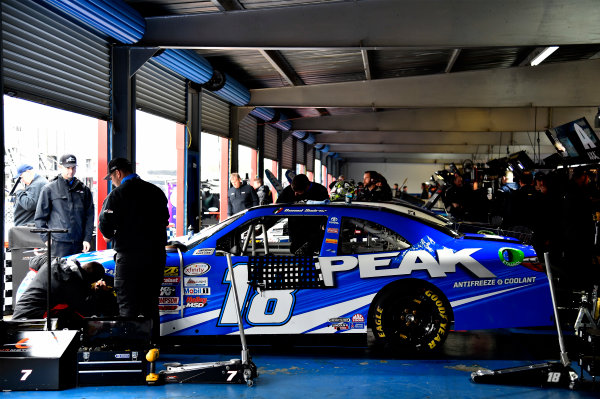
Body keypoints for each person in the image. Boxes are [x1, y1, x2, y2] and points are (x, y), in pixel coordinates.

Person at [98, 158, 169, 340]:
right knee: (150, 304)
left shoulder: (117, 195)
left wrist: (111, 233)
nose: (112, 182)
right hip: (155, 257)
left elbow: (105, 223)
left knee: (127, 305)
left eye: (112, 178)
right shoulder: (156, 192)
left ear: (118, 173)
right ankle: (153, 347)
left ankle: (129, 350)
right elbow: (165, 220)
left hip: (129, 259)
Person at [34, 154, 94, 258]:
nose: (71, 171)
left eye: (73, 167)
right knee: (59, 273)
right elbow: (40, 218)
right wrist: (46, 240)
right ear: (60, 167)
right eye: (68, 168)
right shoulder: (49, 189)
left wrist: (87, 238)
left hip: (79, 243)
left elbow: (89, 216)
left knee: (78, 273)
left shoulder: (84, 190)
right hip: (58, 244)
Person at [12, 257, 105, 320]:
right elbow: (85, 312)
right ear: (91, 280)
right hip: (34, 318)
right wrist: (96, 292)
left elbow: (33, 261)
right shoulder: (75, 288)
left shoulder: (55, 260)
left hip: (21, 307)